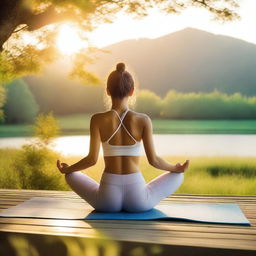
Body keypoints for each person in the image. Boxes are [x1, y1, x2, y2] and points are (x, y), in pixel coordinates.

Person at [57, 62, 189, 212]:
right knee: (178, 176)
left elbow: (91, 160)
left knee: (70, 176)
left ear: (107, 91)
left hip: (107, 201)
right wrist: (176, 168)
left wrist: (67, 170)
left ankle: (71, 174)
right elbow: (154, 160)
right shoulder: (143, 120)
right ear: (132, 91)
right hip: (138, 200)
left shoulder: (97, 119)